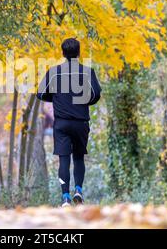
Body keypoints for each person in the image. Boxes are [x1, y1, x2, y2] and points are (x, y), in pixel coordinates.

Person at [37, 38, 101, 207]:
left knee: (64, 159)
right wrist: (84, 100)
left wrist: (56, 98)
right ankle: (78, 190)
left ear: (63, 53)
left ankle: (65, 197)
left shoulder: (53, 72)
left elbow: (41, 94)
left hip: (62, 124)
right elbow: (96, 94)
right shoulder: (87, 72)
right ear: (79, 53)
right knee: (79, 157)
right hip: (81, 122)